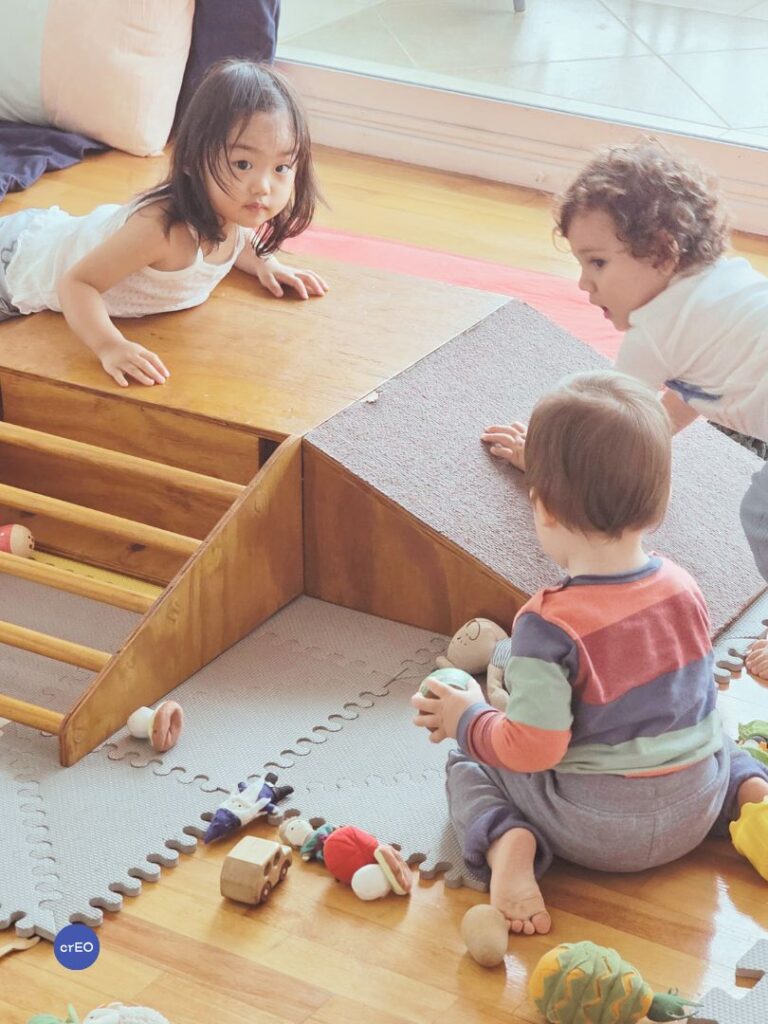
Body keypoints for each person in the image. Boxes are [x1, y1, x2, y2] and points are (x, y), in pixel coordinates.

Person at [414, 372, 768, 937]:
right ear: (659, 502)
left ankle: (510, 845)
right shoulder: (685, 586)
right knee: (718, 738)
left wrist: (468, 716)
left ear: (545, 508)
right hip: (696, 809)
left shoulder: (545, 625)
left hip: (593, 830)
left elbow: (531, 748)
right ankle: (755, 800)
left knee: (469, 761)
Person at [483, 140, 768, 677]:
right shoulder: (718, 289)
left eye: (597, 263)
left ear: (662, 251)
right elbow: (680, 401)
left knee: (764, 514)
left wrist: (544, 463)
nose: (583, 284)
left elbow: (608, 423)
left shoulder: (656, 332)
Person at [0, 59, 326, 387]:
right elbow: (77, 284)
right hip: (15, 264)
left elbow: (240, 238)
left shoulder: (233, 210)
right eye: (243, 164)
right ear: (190, 161)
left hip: (58, 236)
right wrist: (110, 346)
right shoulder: (161, 231)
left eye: (282, 168)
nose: (263, 186)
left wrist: (265, 263)